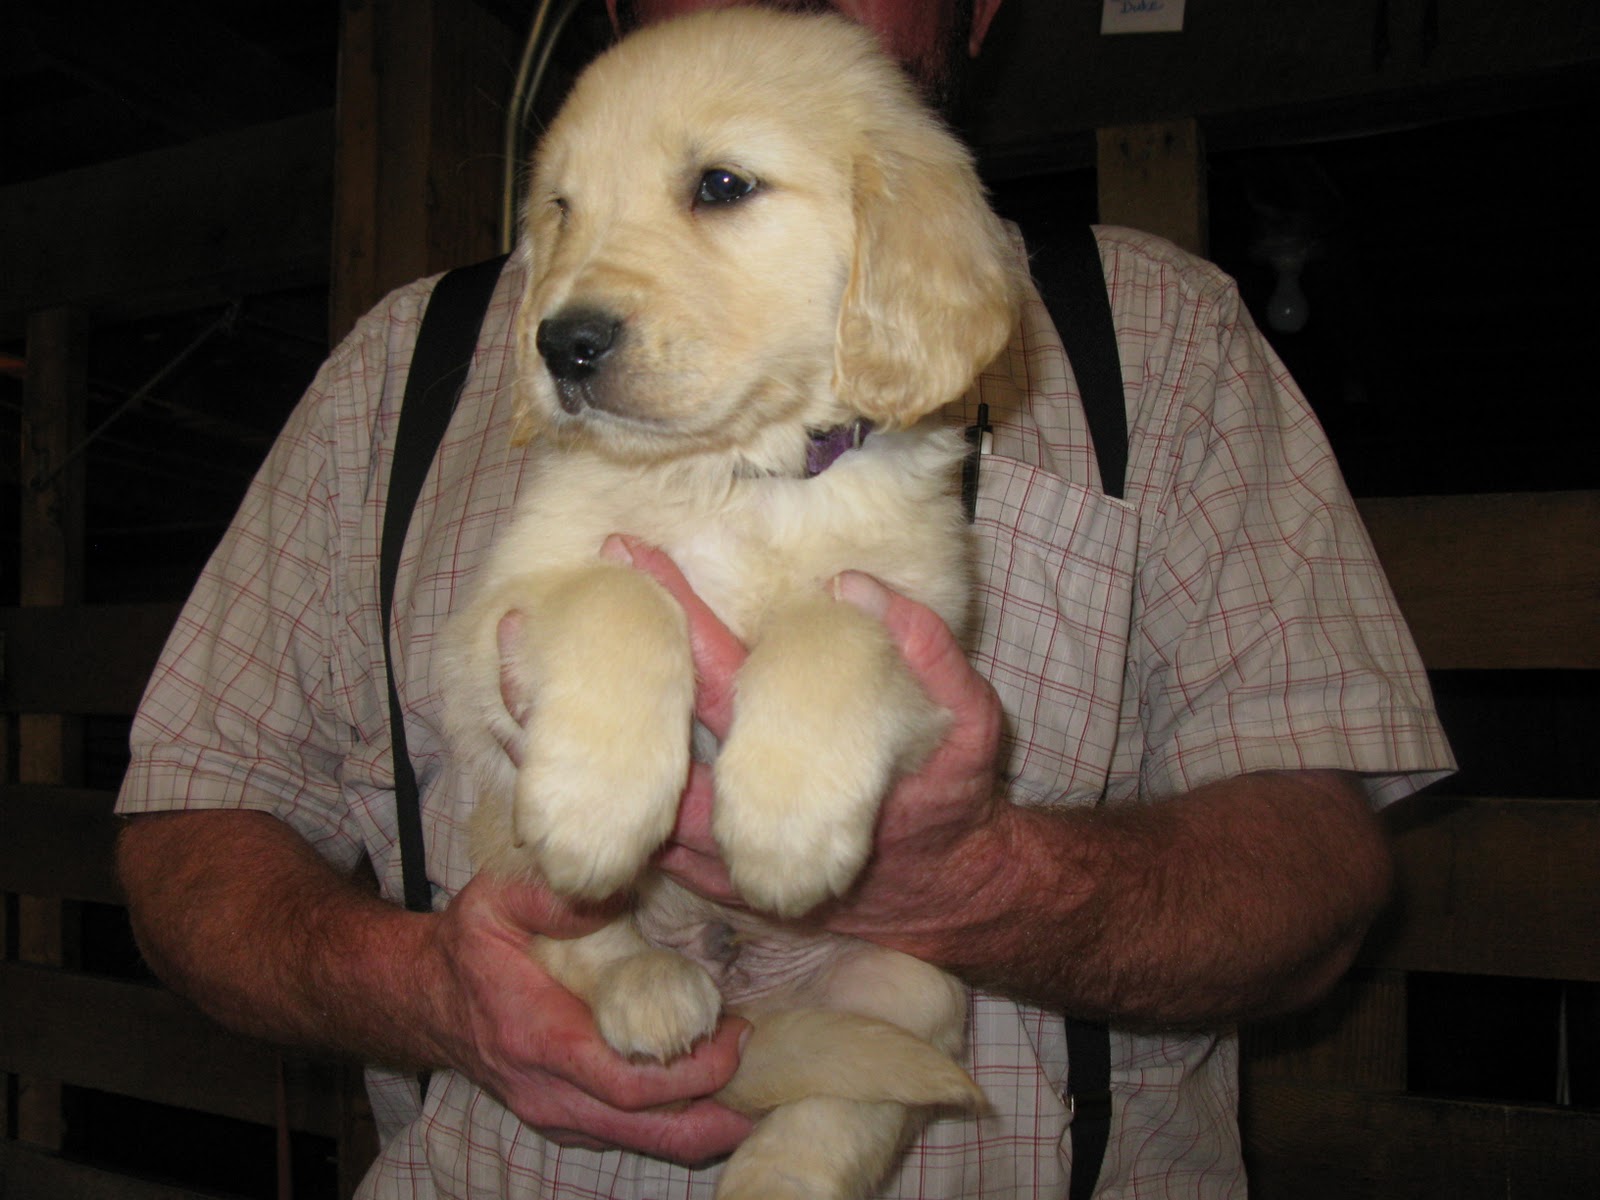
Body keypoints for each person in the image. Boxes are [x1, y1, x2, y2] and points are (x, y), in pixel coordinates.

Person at [114, 0, 1455, 1196]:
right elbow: (189, 826)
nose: (579, 289)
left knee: (898, 998)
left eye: (721, 184)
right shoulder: (401, 371)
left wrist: (979, 882)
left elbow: (1324, 882)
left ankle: (810, 1158)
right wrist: (427, 992)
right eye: (568, 214)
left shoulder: (1164, 342)